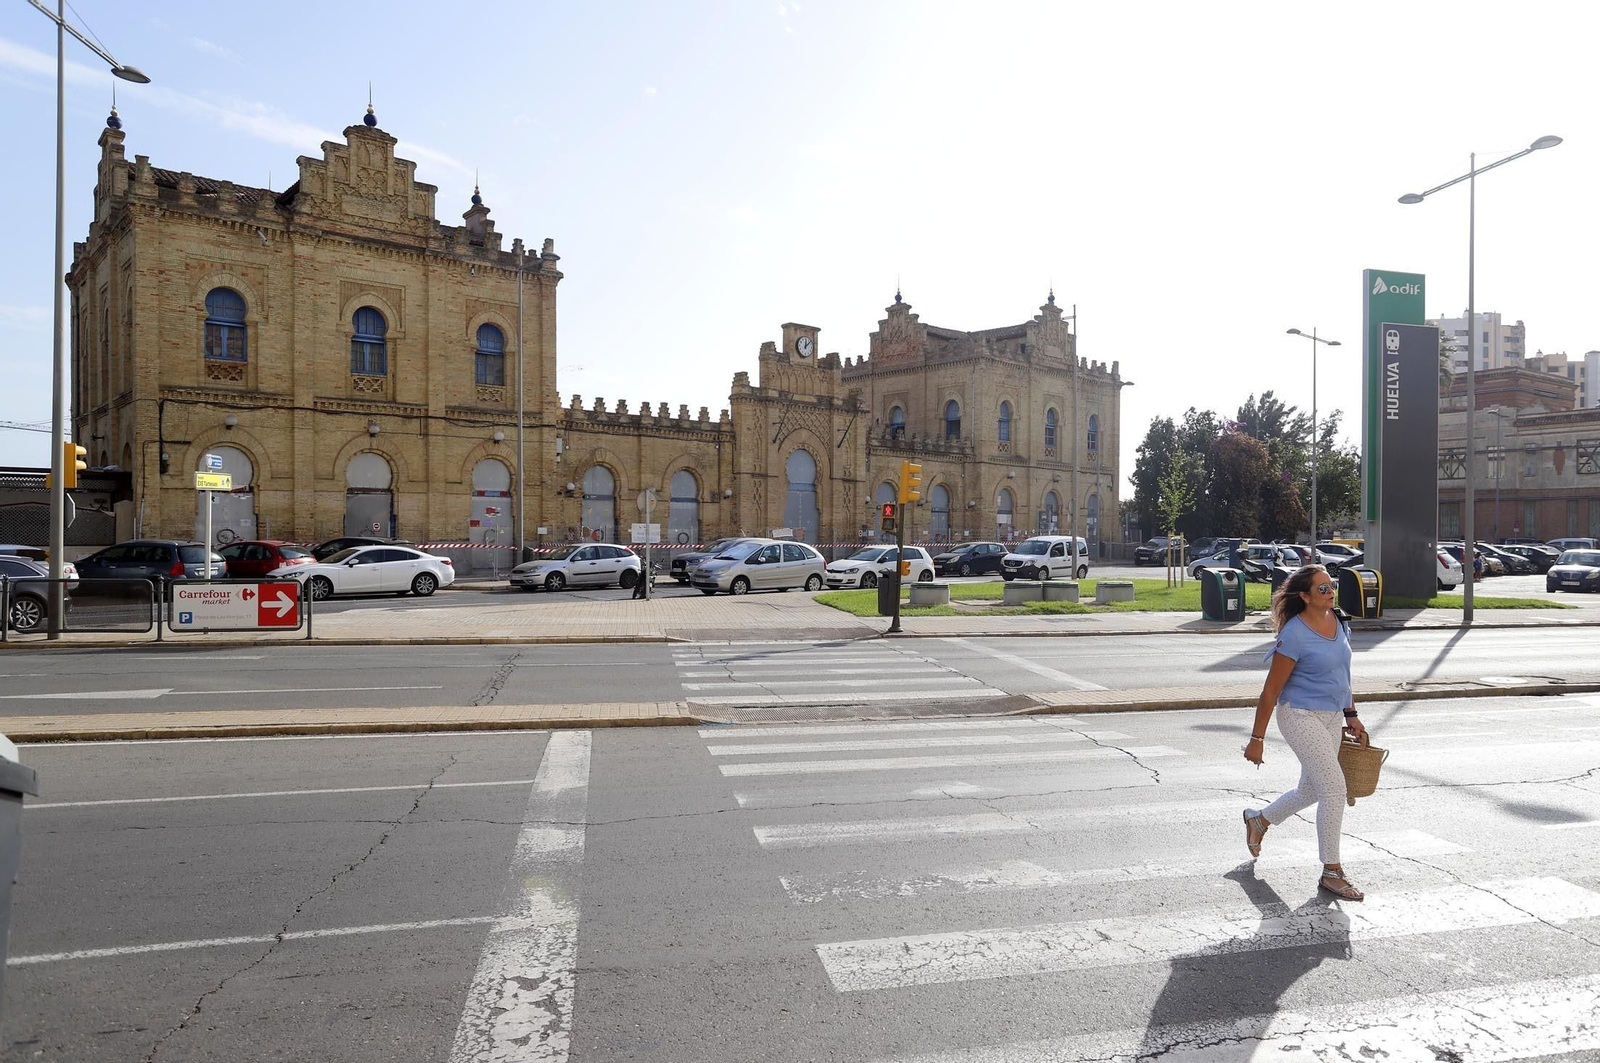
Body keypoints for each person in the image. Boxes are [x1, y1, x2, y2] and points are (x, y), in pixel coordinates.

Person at [1241, 564, 1369, 901]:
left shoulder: (1339, 621)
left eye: (1331, 586)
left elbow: (1342, 674)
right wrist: (1256, 740)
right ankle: (1332, 870)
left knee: (1311, 789)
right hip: (1298, 714)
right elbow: (1270, 692)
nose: (1331, 593)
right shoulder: (1295, 634)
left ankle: (1260, 821)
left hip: (1330, 716)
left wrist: (1351, 713)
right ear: (1305, 596)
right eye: (1323, 589)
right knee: (1334, 790)